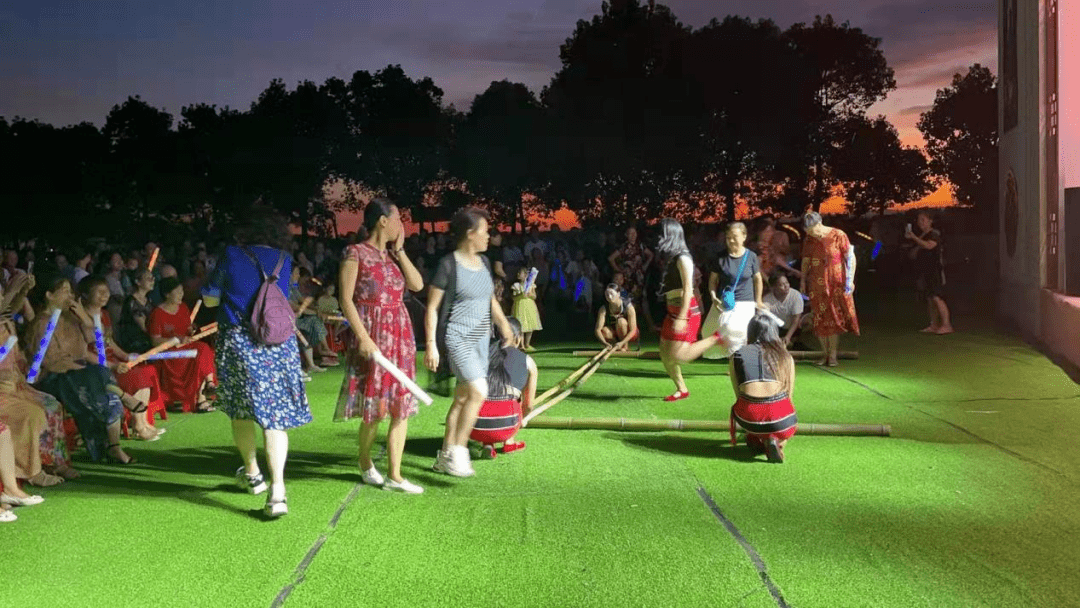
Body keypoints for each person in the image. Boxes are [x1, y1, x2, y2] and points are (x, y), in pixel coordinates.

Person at [207, 205, 312, 518]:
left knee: (241, 409)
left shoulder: (231, 254)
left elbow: (211, 298)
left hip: (239, 340)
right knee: (274, 417)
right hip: (278, 343)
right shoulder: (283, 258)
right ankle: (277, 491)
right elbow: (284, 296)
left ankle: (253, 474)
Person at [335, 198, 425, 494]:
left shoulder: (393, 257)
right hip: (371, 334)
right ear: (383, 221)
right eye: (398, 218)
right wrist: (362, 337)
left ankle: (396, 476)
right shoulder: (356, 253)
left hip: (400, 335)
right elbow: (346, 299)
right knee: (376, 407)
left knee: (401, 404)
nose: (402, 225)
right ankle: (364, 462)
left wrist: (399, 252)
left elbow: (417, 285)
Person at [424, 207, 514, 478]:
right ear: (470, 233)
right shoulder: (448, 264)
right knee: (478, 390)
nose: (489, 237)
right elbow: (431, 308)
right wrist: (431, 344)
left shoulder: (485, 263)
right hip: (456, 335)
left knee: (462, 398)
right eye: (485, 231)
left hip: (480, 339)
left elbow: (490, 300)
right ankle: (459, 453)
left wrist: (503, 324)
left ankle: (444, 456)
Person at [30, 276, 138, 464]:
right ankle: (121, 397)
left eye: (71, 291)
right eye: (64, 291)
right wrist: (82, 368)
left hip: (78, 373)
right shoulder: (42, 324)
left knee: (100, 375)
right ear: (49, 295)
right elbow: (51, 363)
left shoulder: (69, 319)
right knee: (99, 376)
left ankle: (114, 447)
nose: (70, 295)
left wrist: (83, 317)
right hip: (55, 378)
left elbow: (96, 339)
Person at [78, 276, 164, 441]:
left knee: (144, 371)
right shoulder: (78, 317)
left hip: (112, 361)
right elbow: (83, 352)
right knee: (136, 376)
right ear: (86, 295)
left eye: (106, 292)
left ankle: (143, 422)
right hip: (95, 367)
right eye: (99, 292)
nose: (105, 295)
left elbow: (110, 342)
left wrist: (125, 356)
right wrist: (112, 366)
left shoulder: (104, 314)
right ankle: (138, 426)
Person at [655, 219, 728, 401]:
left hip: (685, 312)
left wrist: (681, 317)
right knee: (665, 353)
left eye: (661, 233)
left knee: (680, 355)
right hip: (673, 310)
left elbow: (689, 288)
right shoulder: (672, 256)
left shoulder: (683, 257)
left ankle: (715, 338)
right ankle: (682, 389)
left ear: (671, 234)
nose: (658, 237)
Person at [729, 311, 797, 463]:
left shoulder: (736, 355)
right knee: (784, 414)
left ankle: (758, 436)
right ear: (774, 332)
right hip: (781, 418)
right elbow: (789, 397)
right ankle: (778, 442)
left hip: (749, 417)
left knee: (747, 406)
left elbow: (738, 396)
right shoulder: (785, 356)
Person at [147, 277, 217, 412]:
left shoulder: (183, 307)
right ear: (167, 294)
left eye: (181, 291)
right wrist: (177, 339)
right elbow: (155, 341)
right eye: (177, 292)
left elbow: (186, 329)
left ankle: (206, 389)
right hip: (169, 351)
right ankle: (203, 395)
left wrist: (191, 330)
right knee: (200, 352)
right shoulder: (157, 313)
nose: (181, 295)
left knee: (204, 349)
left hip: (186, 346)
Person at [800, 212, 859, 367]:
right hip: (816, 283)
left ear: (819, 224)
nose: (811, 234)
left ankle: (832, 355)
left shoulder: (838, 235)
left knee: (833, 318)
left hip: (835, 283)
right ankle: (824, 354)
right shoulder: (809, 239)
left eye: (812, 230)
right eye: (808, 231)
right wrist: (802, 280)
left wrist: (850, 280)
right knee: (819, 317)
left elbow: (850, 258)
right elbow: (806, 261)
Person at [471, 318, 536, 457]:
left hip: (473, 426)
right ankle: (509, 442)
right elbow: (529, 405)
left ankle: (487, 443)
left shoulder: (478, 357)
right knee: (515, 397)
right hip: (506, 425)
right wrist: (523, 419)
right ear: (518, 338)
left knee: (487, 393)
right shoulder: (528, 361)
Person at [707, 222, 766, 357]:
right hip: (726, 302)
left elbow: (758, 279)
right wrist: (713, 296)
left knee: (740, 331)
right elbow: (712, 281)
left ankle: (740, 360)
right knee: (724, 331)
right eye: (728, 238)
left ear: (744, 236)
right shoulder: (720, 257)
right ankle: (734, 360)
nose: (731, 240)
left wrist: (759, 300)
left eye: (734, 237)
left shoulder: (751, 256)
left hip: (746, 302)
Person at [905, 212, 953, 335]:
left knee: (937, 297)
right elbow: (915, 251)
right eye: (919, 220)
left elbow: (929, 246)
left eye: (923, 220)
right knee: (930, 298)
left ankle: (947, 325)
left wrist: (914, 237)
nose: (920, 223)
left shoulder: (934, 234)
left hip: (935, 270)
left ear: (930, 221)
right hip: (925, 271)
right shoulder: (923, 235)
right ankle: (934, 324)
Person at [763, 273, 805, 348]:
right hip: (775, 330)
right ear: (773, 288)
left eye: (787, 283)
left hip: (792, 328)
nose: (786, 286)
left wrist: (787, 337)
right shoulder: (766, 300)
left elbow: (796, 319)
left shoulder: (796, 295)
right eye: (781, 285)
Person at [595, 283, 638, 351]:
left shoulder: (628, 306)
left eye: (612, 294)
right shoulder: (603, 308)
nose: (609, 296)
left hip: (629, 334)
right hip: (615, 333)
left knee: (621, 321)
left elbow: (633, 330)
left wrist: (623, 342)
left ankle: (625, 346)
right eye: (607, 294)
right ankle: (614, 346)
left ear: (618, 294)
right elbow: (598, 329)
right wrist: (605, 343)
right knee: (604, 331)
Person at [510, 267, 542, 351]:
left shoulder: (531, 285)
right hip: (520, 306)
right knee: (521, 325)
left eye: (520, 273)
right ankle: (521, 345)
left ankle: (527, 344)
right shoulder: (516, 285)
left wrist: (529, 294)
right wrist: (521, 294)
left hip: (529, 306)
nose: (518, 275)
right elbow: (513, 297)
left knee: (530, 325)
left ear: (525, 275)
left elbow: (534, 296)